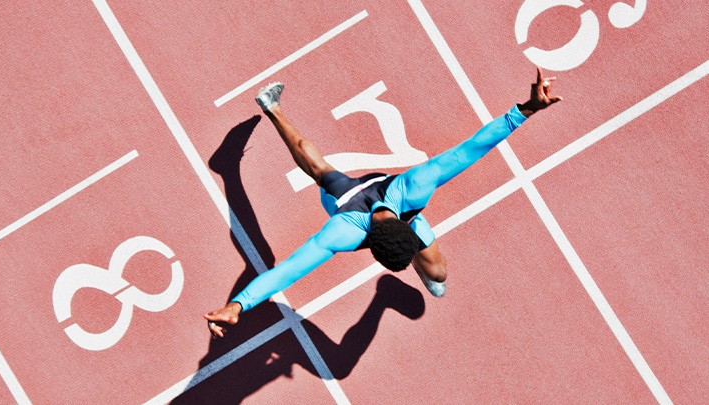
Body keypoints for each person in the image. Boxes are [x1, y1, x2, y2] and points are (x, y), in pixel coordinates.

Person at [205, 67, 562, 338]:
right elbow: (289, 269)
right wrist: (240, 304)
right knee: (319, 171)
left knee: (435, 273)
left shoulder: (414, 190)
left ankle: (264, 118)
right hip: (345, 203)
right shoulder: (344, 229)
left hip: (384, 207)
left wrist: (526, 110)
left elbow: (470, 150)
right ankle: (272, 107)